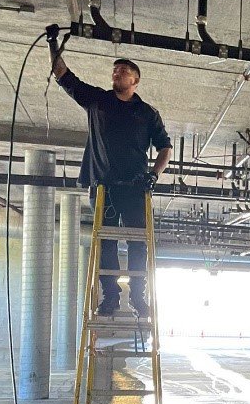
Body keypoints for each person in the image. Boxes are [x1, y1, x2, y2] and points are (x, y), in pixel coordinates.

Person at [48, 30, 172, 317]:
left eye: (124, 71)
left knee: (138, 244)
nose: (117, 73)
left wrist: (154, 175)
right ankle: (111, 297)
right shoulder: (98, 101)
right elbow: (64, 76)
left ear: (135, 80)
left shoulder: (147, 113)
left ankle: (138, 297)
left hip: (135, 187)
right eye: (115, 70)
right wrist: (53, 44)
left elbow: (165, 148)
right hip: (102, 186)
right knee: (106, 244)